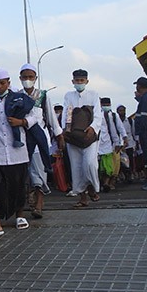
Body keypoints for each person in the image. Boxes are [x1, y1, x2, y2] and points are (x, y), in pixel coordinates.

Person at [0, 69, 36, 238]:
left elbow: (36, 115)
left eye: (3, 83)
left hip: (17, 152)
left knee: (18, 186)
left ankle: (20, 215)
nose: (0, 86)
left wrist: (22, 122)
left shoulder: (19, 99)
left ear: (8, 82)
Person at [17, 63, 64, 219]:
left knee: (39, 172)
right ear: (20, 78)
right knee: (26, 173)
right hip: (22, 139)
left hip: (40, 140)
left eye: (30, 77)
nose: (28, 80)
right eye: (25, 77)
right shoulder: (16, 96)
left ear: (35, 78)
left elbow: (51, 118)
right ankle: (28, 199)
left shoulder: (43, 96)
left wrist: (59, 135)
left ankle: (39, 204)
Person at [62, 69, 104, 207]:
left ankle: (92, 187)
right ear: (73, 81)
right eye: (77, 81)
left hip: (89, 137)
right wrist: (66, 131)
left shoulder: (93, 95)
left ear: (87, 81)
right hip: (73, 137)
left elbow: (98, 114)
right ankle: (82, 197)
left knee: (90, 164)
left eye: (82, 80)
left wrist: (92, 128)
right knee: (76, 167)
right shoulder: (69, 96)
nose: (79, 83)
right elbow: (66, 113)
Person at [97, 98, 127, 192]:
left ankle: (107, 183)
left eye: (108, 104)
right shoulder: (96, 115)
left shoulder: (114, 116)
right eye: (104, 104)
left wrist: (122, 140)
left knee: (110, 166)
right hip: (97, 145)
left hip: (110, 145)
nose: (106, 106)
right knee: (99, 167)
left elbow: (119, 128)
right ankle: (102, 183)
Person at [117, 105, 137, 184]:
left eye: (123, 110)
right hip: (119, 145)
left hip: (129, 144)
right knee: (120, 161)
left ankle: (130, 174)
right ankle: (121, 175)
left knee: (130, 160)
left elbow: (134, 132)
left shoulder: (130, 121)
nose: (121, 112)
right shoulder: (115, 121)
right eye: (120, 111)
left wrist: (136, 143)